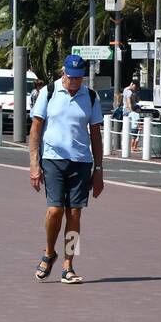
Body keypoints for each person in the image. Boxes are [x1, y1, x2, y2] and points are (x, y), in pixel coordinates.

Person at [30, 54, 105, 285]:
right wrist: (34, 164)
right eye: (71, 78)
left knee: (75, 214)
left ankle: (68, 265)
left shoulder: (90, 96)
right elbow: (35, 129)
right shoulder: (49, 92)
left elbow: (95, 135)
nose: (74, 82)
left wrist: (99, 169)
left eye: (79, 78)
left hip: (81, 162)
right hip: (53, 159)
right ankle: (49, 252)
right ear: (63, 72)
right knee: (55, 211)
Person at [123, 78, 142, 152]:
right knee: (136, 129)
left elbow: (136, 100)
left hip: (127, 110)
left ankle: (132, 146)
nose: (136, 88)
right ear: (132, 84)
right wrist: (132, 112)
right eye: (136, 87)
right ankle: (133, 147)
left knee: (131, 129)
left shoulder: (126, 90)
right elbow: (128, 103)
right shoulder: (129, 92)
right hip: (130, 111)